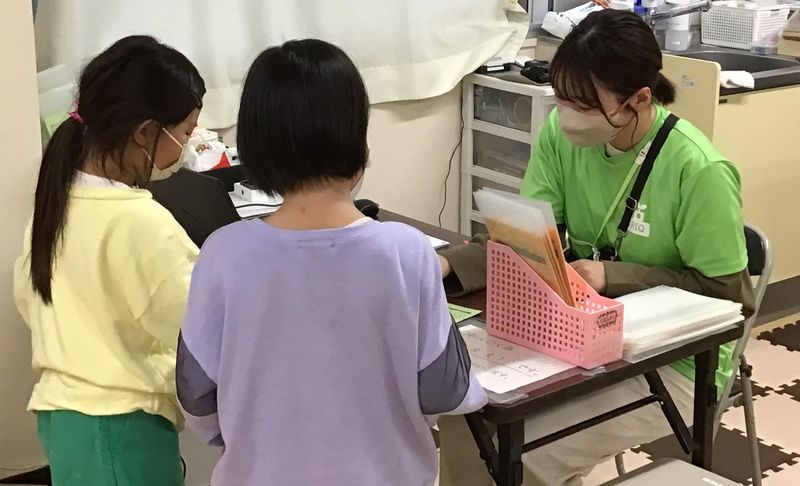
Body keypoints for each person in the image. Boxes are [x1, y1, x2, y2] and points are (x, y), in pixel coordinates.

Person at [437, 10, 755, 486]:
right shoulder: (561, 136)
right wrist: (445, 264)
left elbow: (730, 297)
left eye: (584, 104)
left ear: (639, 99)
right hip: (580, 338)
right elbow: (525, 239)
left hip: (673, 361)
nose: (567, 115)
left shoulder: (698, 170)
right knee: (466, 414)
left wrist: (615, 277)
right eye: (562, 98)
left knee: (523, 453)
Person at [175, 39, 487, 485]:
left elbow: (196, 394)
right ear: (357, 140)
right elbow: (444, 390)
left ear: (257, 145)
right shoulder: (406, 251)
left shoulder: (223, 253)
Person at [14, 35, 205, 486]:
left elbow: (29, 296)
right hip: (122, 428)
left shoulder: (56, 203)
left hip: (62, 421)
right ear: (144, 132)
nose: (189, 146)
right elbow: (197, 327)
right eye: (186, 133)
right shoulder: (139, 222)